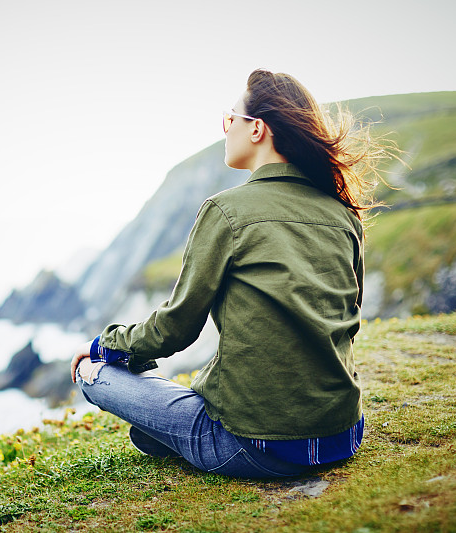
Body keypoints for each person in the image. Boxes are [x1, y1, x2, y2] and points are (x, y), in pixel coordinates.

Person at [70, 69, 390, 479]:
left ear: (257, 128)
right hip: (342, 435)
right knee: (170, 406)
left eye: (230, 118)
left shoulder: (227, 210)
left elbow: (175, 330)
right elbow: (347, 317)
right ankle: (168, 431)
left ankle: (171, 430)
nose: (225, 128)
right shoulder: (343, 216)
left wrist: (104, 345)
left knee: (93, 374)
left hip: (255, 447)